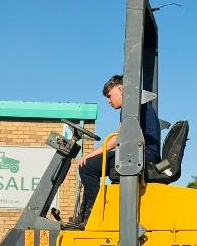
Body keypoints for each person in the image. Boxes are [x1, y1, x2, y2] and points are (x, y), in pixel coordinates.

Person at [66, 74, 161, 229]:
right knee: (90, 166)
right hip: (140, 152)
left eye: (110, 96)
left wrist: (90, 154)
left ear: (121, 89)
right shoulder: (134, 108)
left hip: (144, 155)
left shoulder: (135, 108)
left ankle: (96, 214)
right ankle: (84, 215)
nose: (109, 101)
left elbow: (117, 139)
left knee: (87, 167)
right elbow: (119, 136)